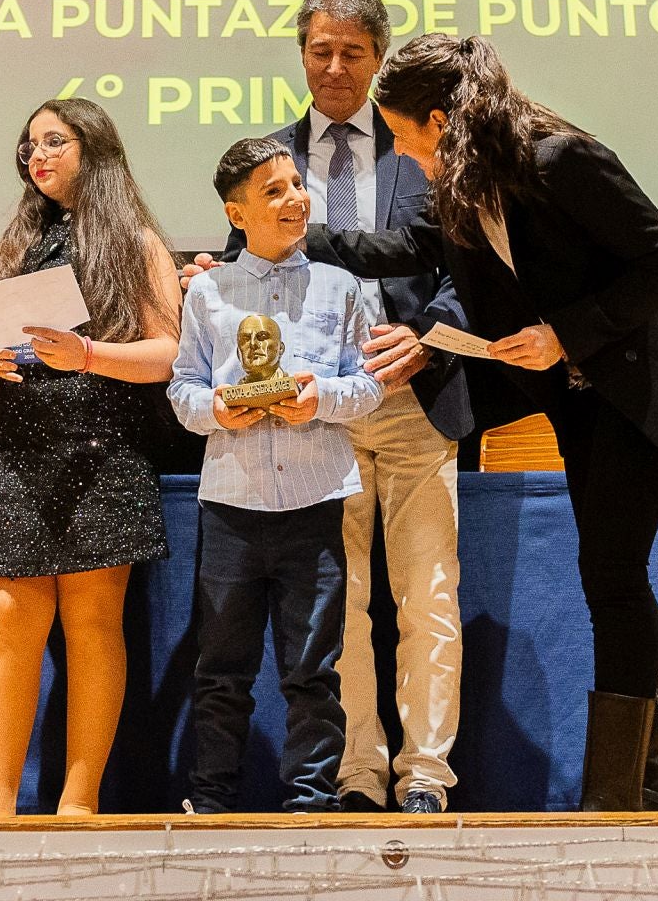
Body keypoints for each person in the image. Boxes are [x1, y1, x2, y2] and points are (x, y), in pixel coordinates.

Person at [304, 34, 658, 812]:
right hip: (580, 392)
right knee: (613, 576)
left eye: (405, 138)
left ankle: (622, 789)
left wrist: (564, 333)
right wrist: (272, 238)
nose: (402, 158)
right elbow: (408, 246)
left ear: (439, 120)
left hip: (643, 385)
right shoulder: (460, 186)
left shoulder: (559, 159)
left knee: (612, 575)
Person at [194, 0, 472, 813]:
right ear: (301, 55)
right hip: (306, 415)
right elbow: (243, 261)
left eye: (354, 52)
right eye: (321, 50)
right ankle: (356, 774)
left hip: (415, 399)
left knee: (428, 597)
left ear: (381, 58)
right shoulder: (269, 154)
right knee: (335, 611)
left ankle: (425, 776)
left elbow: (472, 265)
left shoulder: (420, 142)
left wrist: (429, 340)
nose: (336, 67)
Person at [0, 98, 182, 816]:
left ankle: (77, 801)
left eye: (54, 141)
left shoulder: (137, 242)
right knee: (7, 614)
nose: (38, 155)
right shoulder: (14, 247)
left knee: (92, 620)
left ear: (95, 149)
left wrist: (88, 353)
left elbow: (165, 355)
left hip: (101, 441)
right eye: (30, 145)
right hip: (18, 444)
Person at [170, 137, 384, 813]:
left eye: (297, 184)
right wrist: (219, 413)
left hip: (316, 502)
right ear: (238, 214)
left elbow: (370, 385)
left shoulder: (340, 286)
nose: (296, 199)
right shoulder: (207, 291)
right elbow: (181, 392)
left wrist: (323, 398)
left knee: (314, 671)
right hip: (232, 505)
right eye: (275, 190)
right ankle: (211, 802)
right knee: (221, 672)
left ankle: (312, 801)